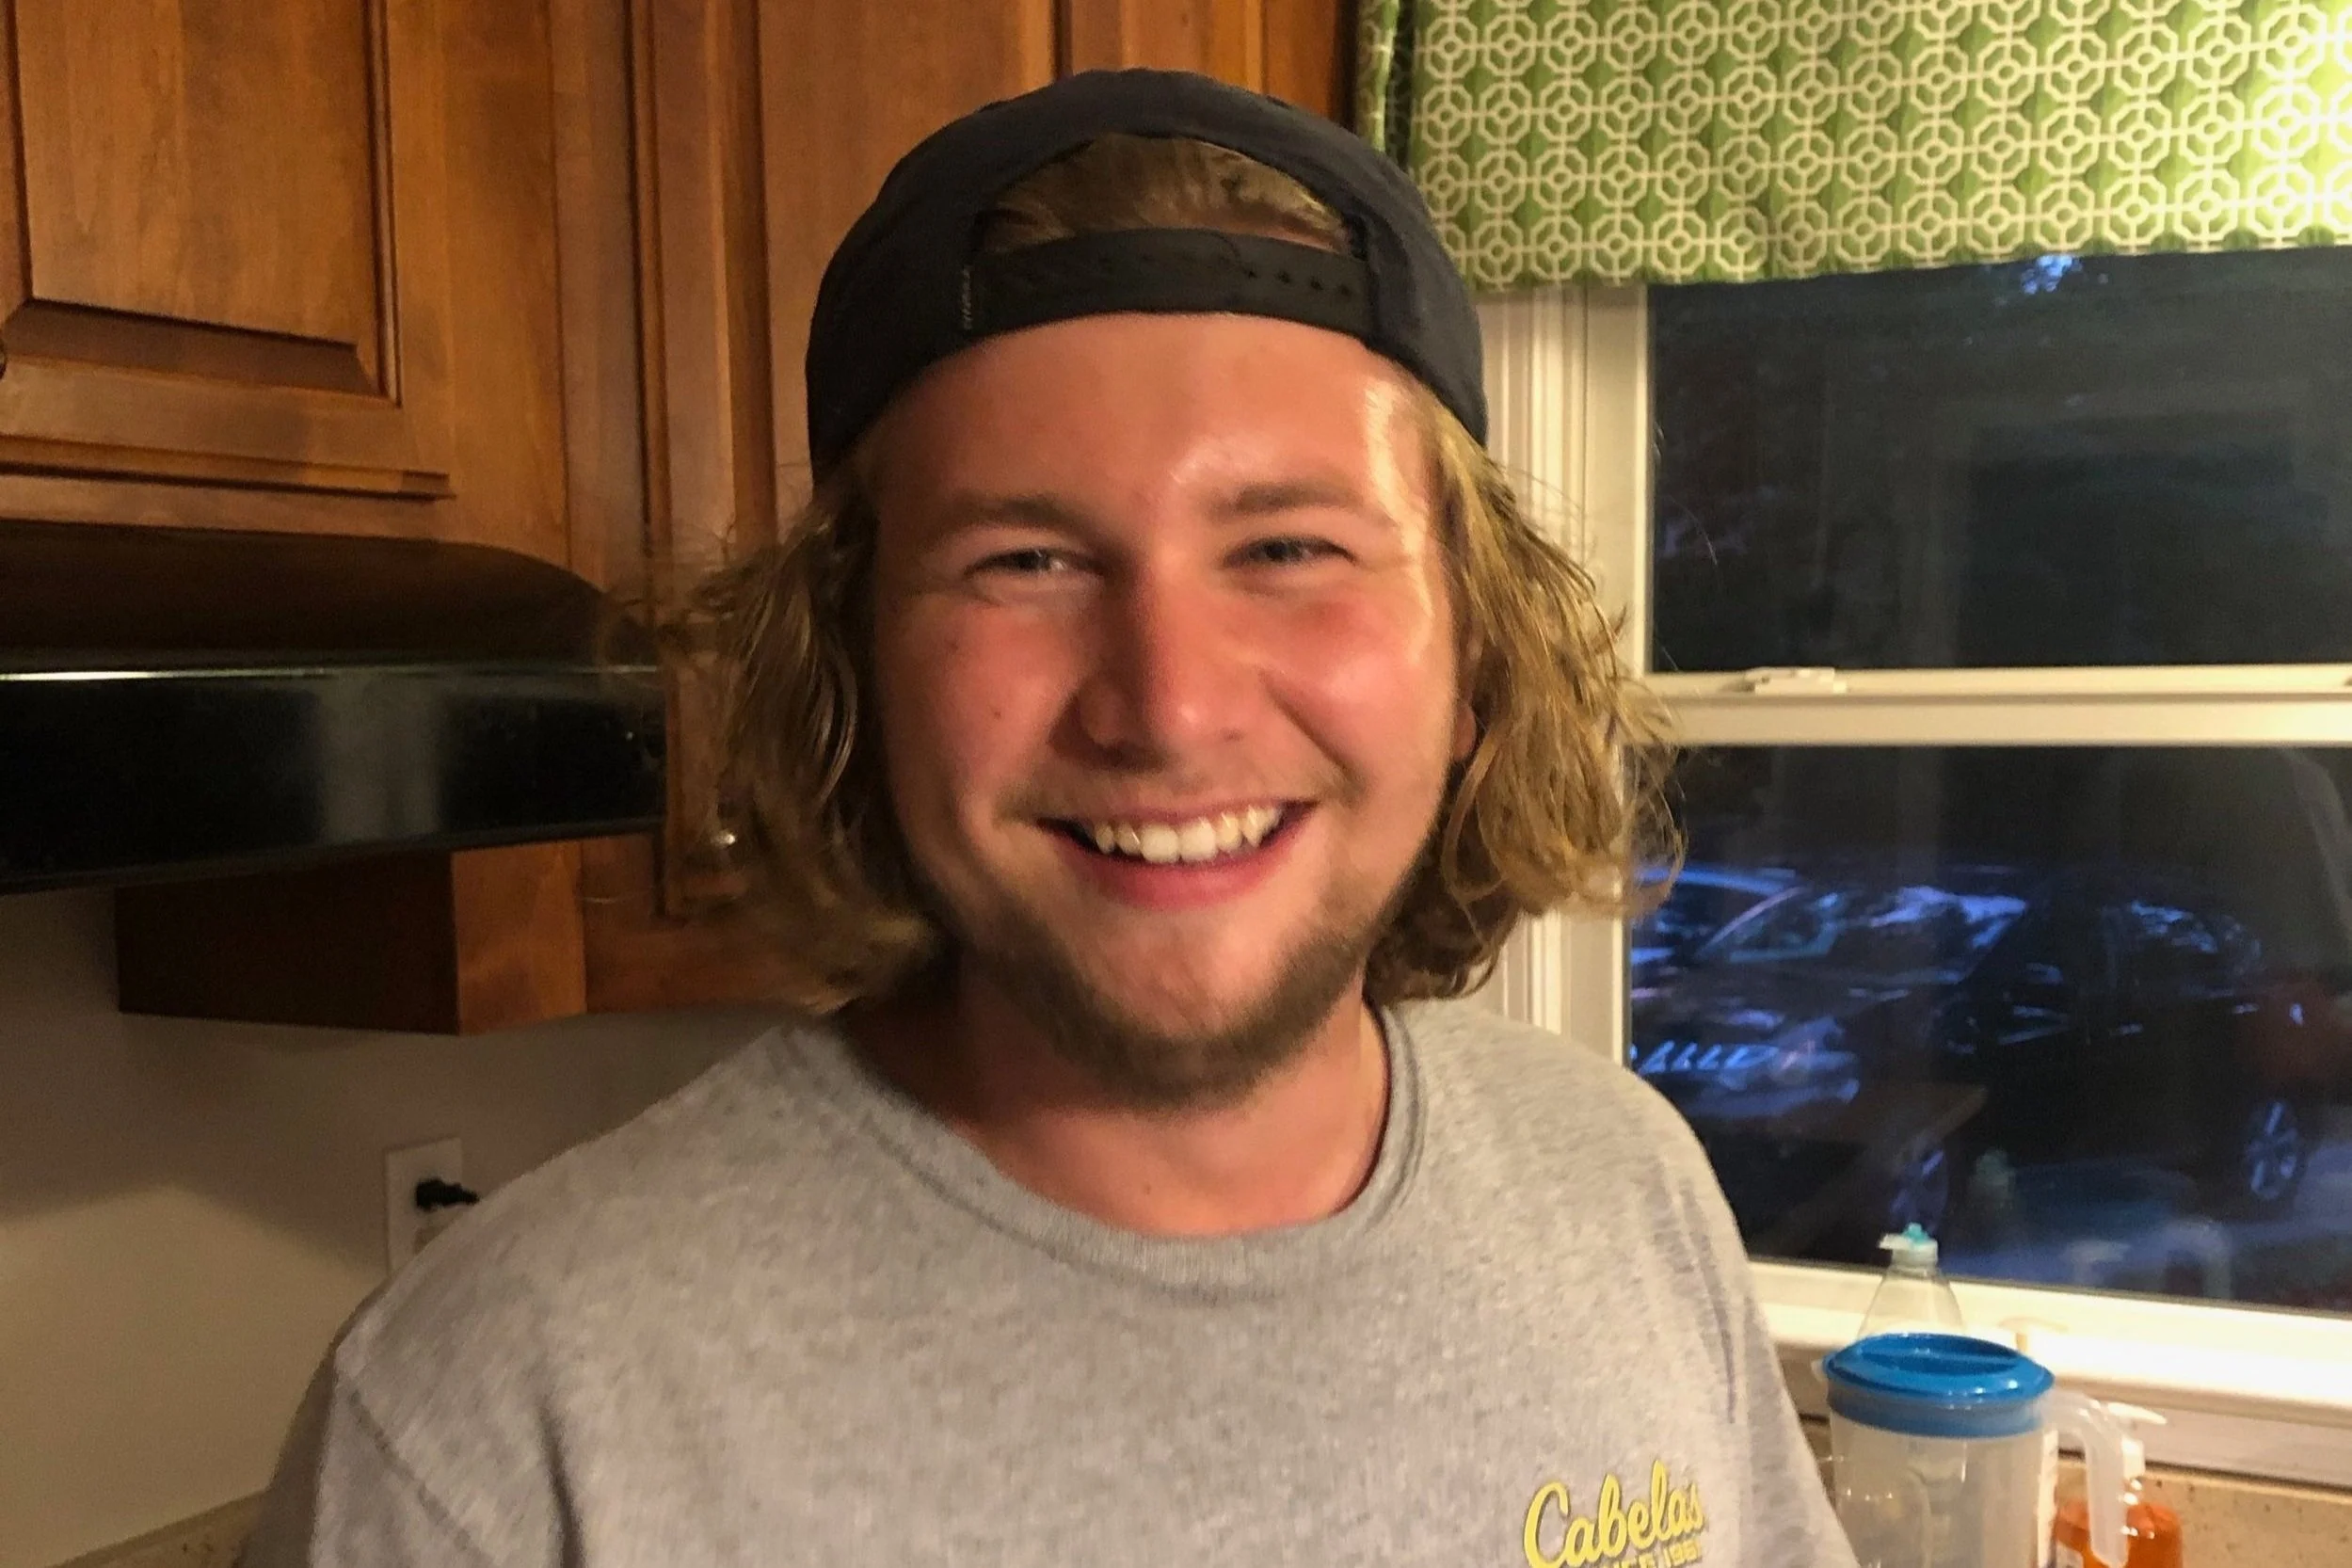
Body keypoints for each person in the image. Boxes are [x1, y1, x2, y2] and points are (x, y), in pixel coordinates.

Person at [244, 70, 1857, 1568]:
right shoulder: (495, 1418)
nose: (1167, 705)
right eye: (1024, 560)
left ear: (1474, 654)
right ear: (848, 668)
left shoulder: (1623, 1191)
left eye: (1288, 548)